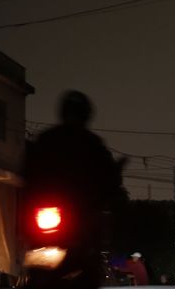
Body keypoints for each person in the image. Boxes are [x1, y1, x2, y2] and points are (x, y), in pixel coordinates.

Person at [23, 90, 126, 245]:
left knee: (95, 240)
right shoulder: (47, 140)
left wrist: (112, 181)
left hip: (82, 215)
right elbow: (27, 170)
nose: (73, 117)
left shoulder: (93, 144)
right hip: (48, 212)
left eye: (76, 113)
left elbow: (109, 177)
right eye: (71, 112)